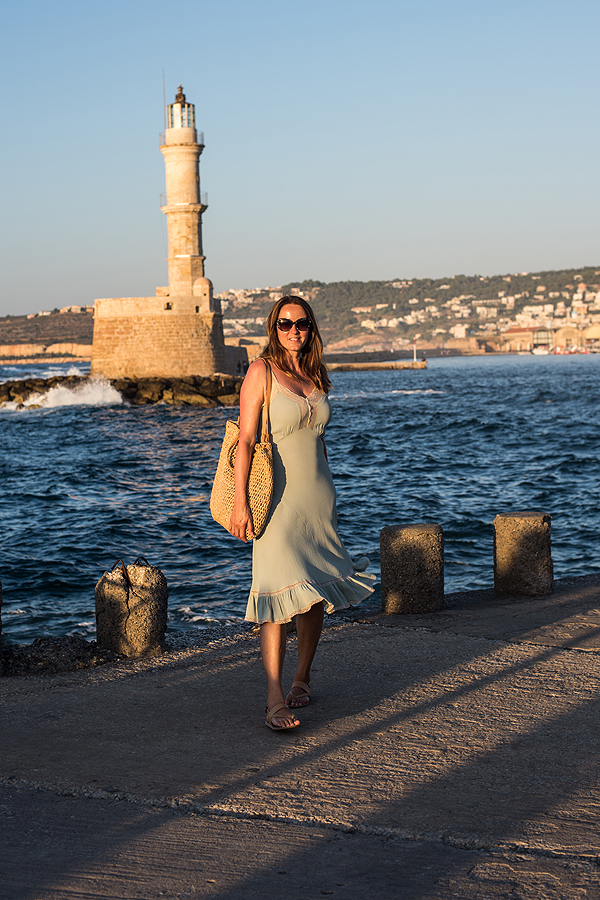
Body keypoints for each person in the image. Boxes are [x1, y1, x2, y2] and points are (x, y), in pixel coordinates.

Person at [230, 295, 375, 730]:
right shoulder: (261, 371)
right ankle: (274, 698)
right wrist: (240, 502)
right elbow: (245, 441)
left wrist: (331, 492)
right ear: (273, 328)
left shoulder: (314, 373)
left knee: (313, 593)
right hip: (276, 501)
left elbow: (318, 439)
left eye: (302, 323)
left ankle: (302, 677)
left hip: (317, 499)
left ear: (311, 329)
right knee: (274, 594)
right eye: (285, 323)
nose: (294, 330)